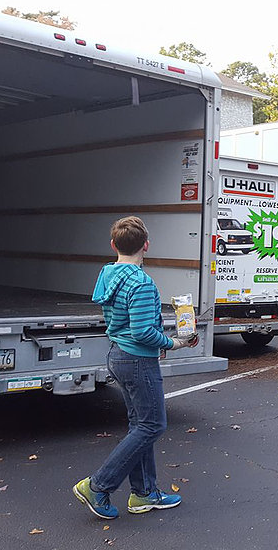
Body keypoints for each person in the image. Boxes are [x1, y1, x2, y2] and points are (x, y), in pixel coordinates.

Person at [73, 216, 197, 520]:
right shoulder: (141, 282)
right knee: (152, 426)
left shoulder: (108, 275)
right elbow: (142, 332)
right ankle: (98, 485)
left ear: (114, 245)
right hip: (138, 360)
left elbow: (132, 325)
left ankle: (143, 494)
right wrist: (174, 343)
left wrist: (156, 341)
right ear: (146, 245)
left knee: (140, 425)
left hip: (119, 354)